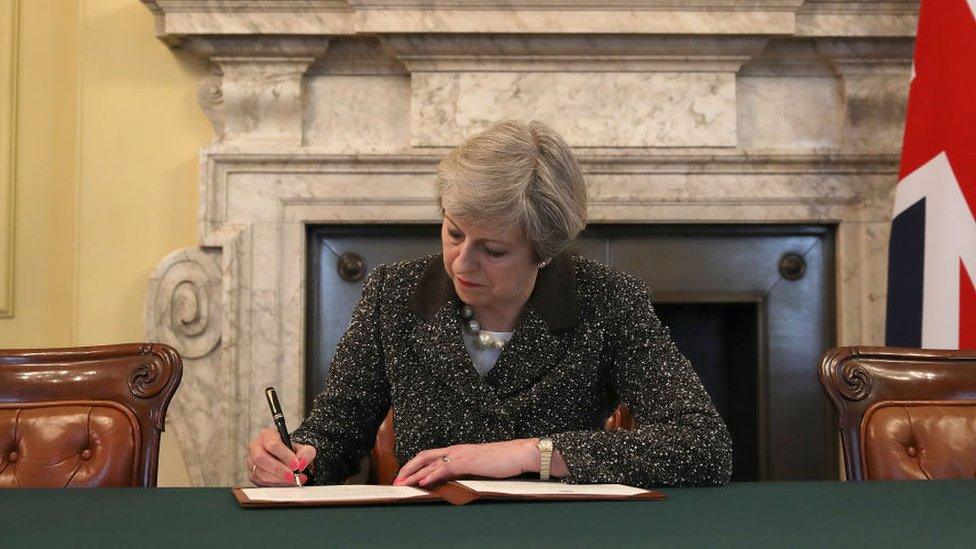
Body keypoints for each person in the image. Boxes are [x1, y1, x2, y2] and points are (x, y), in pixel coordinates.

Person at [246, 120, 732, 489]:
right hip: (427, 535)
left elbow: (703, 447)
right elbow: (332, 439)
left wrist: (529, 454)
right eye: (454, 232)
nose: (462, 262)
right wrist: (295, 460)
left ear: (543, 252)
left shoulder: (607, 300)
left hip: (561, 538)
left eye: (493, 251)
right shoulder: (392, 295)